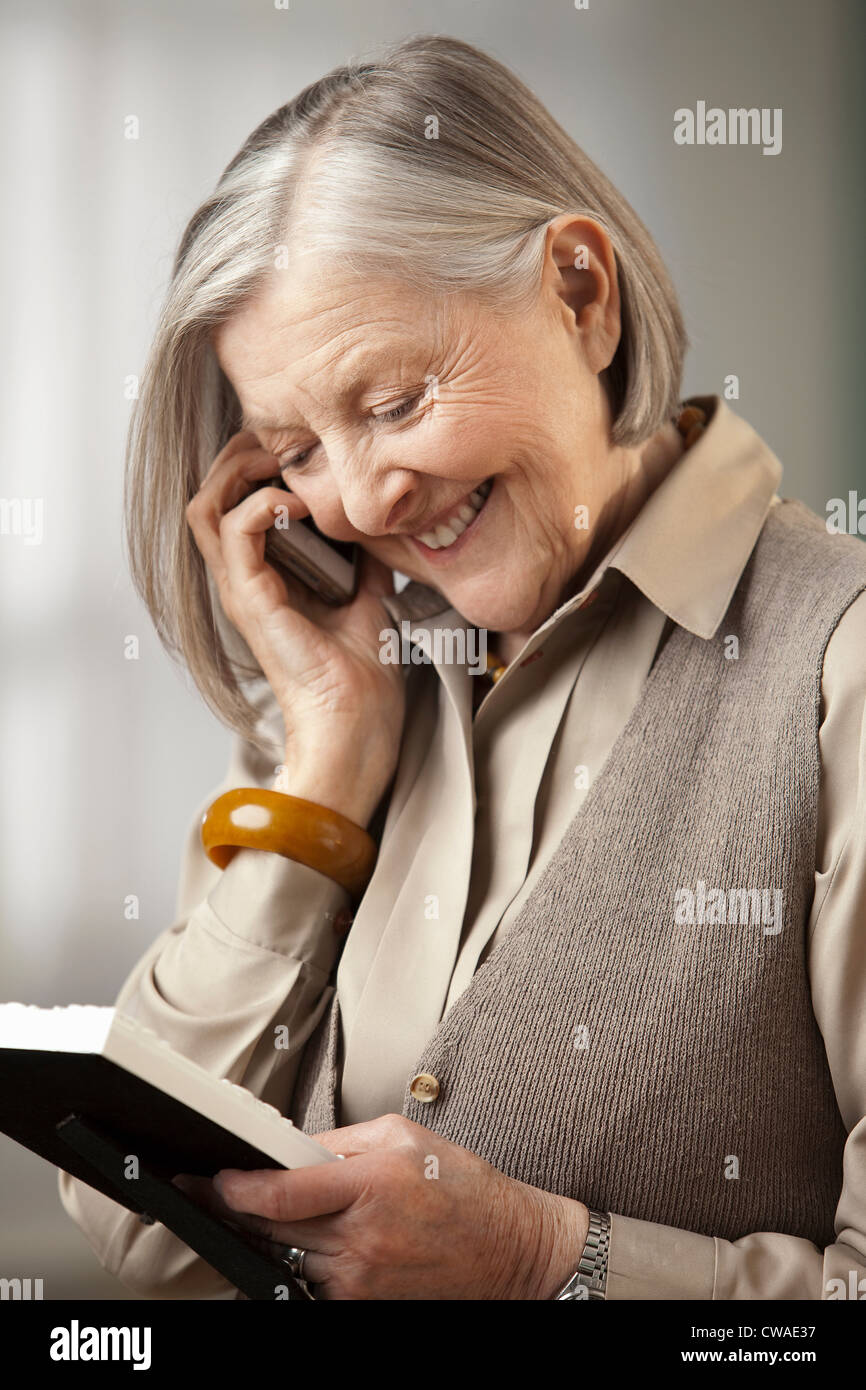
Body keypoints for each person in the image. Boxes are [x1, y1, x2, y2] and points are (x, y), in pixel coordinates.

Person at [60, 34, 866, 1300]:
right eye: (296, 449)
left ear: (579, 293)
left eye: (390, 402)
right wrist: (325, 759)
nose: (366, 498)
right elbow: (146, 1236)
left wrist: (552, 1263)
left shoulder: (839, 671)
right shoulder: (347, 681)